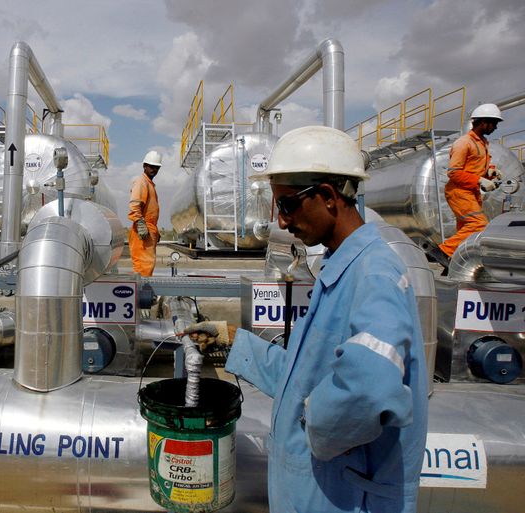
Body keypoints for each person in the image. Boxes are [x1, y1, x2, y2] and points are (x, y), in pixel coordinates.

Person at [185, 126, 428, 513]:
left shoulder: (374, 273)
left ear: (329, 197)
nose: (280, 222)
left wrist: (311, 421)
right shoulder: (341, 268)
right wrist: (234, 341)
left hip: (342, 499)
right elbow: (305, 377)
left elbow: (367, 387)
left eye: (285, 205)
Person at [435, 103, 504, 263]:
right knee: (478, 224)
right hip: (459, 191)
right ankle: (443, 252)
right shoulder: (463, 143)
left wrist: (490, 172)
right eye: (493, 123)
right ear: (482, 122)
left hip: (471, 192)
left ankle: (455, 259)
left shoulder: (482, 143)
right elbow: (454, 172)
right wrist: (480, 180)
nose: (495, 127)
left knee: (467, 229)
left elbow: (475, 166)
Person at [128, 150, 162, 276]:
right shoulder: (141, 182)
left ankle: (143, 293)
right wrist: (140, 223)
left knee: (147, 265)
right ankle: (141, 294)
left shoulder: (149, 184)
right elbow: (135, 204)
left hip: (149, 229)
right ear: (144, 166)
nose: (154, 169)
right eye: (151, 166)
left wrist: (155, 231)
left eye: (156, 167)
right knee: (143, 265)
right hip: (143, 230)